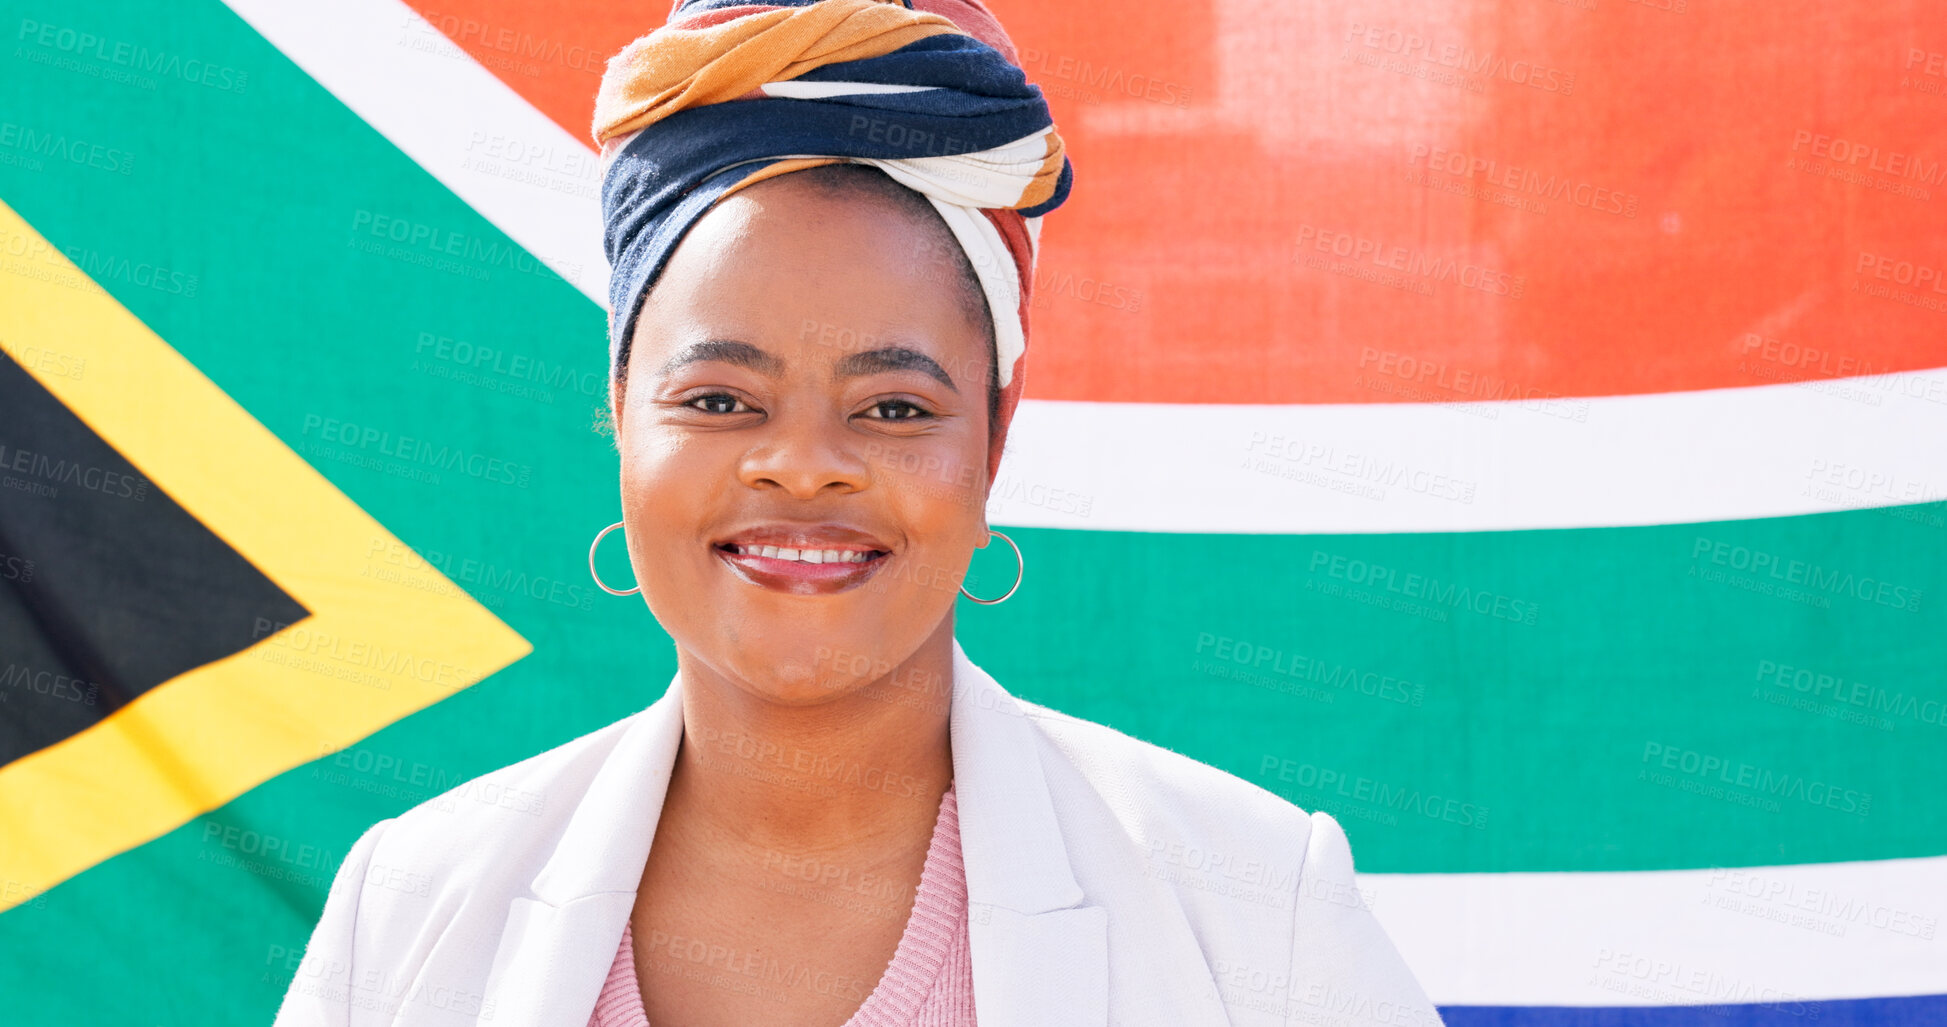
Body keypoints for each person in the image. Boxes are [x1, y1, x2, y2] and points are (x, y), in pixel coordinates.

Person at [274, 1, 1440, 1024]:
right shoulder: (409, 909)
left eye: (891, 407)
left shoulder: (1254, 912)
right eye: (722, 398)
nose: (803, 465)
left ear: (996, 431)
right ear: (621, 413)